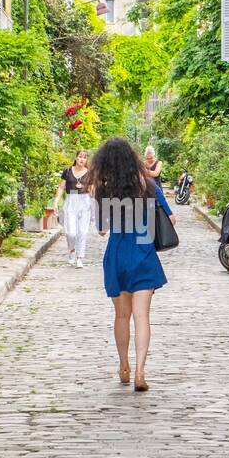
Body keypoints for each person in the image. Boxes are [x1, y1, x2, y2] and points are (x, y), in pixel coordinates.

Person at [92, 137, 175, 393]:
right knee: (142, 316)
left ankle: (123, 365)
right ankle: (141, 370)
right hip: (143, 251)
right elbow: (171, 219)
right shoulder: (148, 185)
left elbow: (102, 229)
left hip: (117, 254)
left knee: (121, 316)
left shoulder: (104, 189)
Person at [51, 148, 92, 267]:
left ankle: (80, 257)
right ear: (76, 157)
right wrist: (55, 202)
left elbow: (93, 189)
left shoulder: (90, 173)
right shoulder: (68, 171)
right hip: (71, 200)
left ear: (86, 160)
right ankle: (72, 251)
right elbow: (61, 187)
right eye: (80, 156)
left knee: (83, 231)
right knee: (70, 232)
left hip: (84, 200)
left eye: (84, 157)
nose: (82, 159)